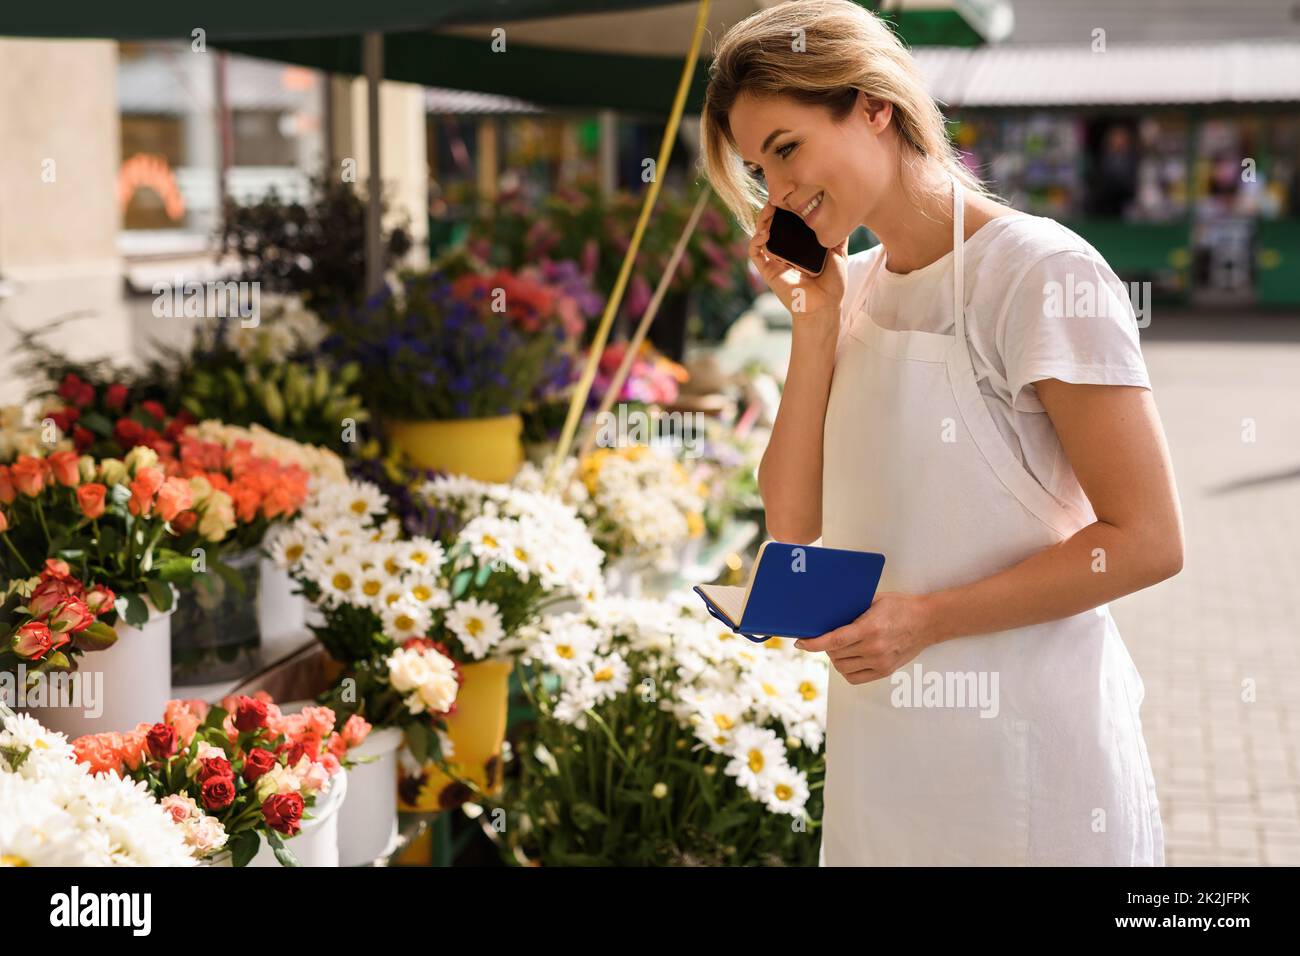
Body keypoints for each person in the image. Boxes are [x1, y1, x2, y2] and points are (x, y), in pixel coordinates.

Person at [700, 0, 1183, 866]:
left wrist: (928, 621)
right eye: (758, 173)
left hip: (1031, 766)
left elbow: (1146, 541)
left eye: (786, 150)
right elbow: (792, 527)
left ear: (874, 107)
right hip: (881, 763)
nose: (778, 195)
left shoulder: (1039, 273)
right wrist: (816, 327)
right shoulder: (849, 288)